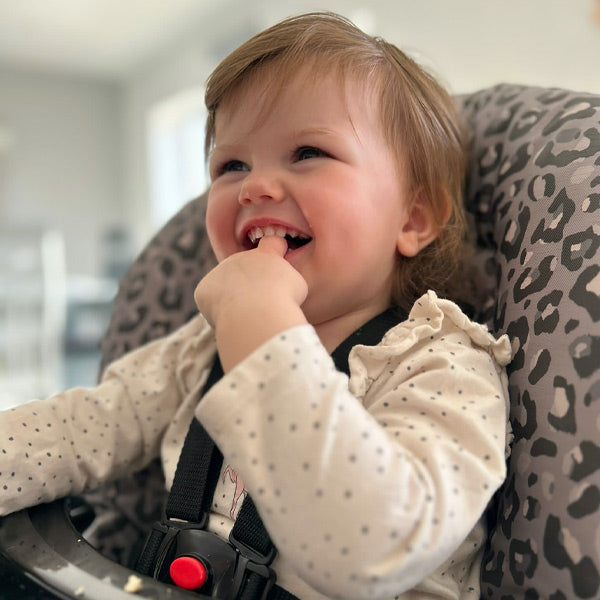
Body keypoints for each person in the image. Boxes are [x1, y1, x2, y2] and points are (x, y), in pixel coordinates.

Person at [0, 12, 511, 600]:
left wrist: (261, 328)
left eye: (309, 152)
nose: (255, 186)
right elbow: (78, 429)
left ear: (412, 218)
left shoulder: (444, 364)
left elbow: (369, 548)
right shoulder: (199, 346)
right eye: (231, 165)